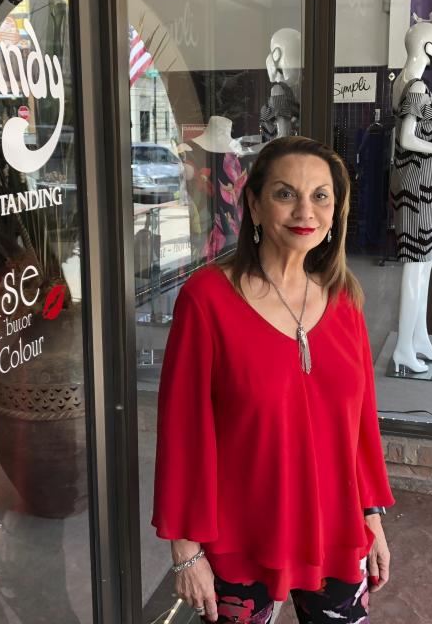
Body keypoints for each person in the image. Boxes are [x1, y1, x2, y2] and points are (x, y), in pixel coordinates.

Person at [152, 136, 396, 623]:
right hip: (240, 539)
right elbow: (183, 431)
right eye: (286, 193)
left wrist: (372, 517)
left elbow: (360, 426)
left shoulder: (345, 300)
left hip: (335, 532)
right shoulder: (207, 300)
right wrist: (187, 551)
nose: (305, 209)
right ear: (255, 206)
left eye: (321, 195)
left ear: (336, 210)